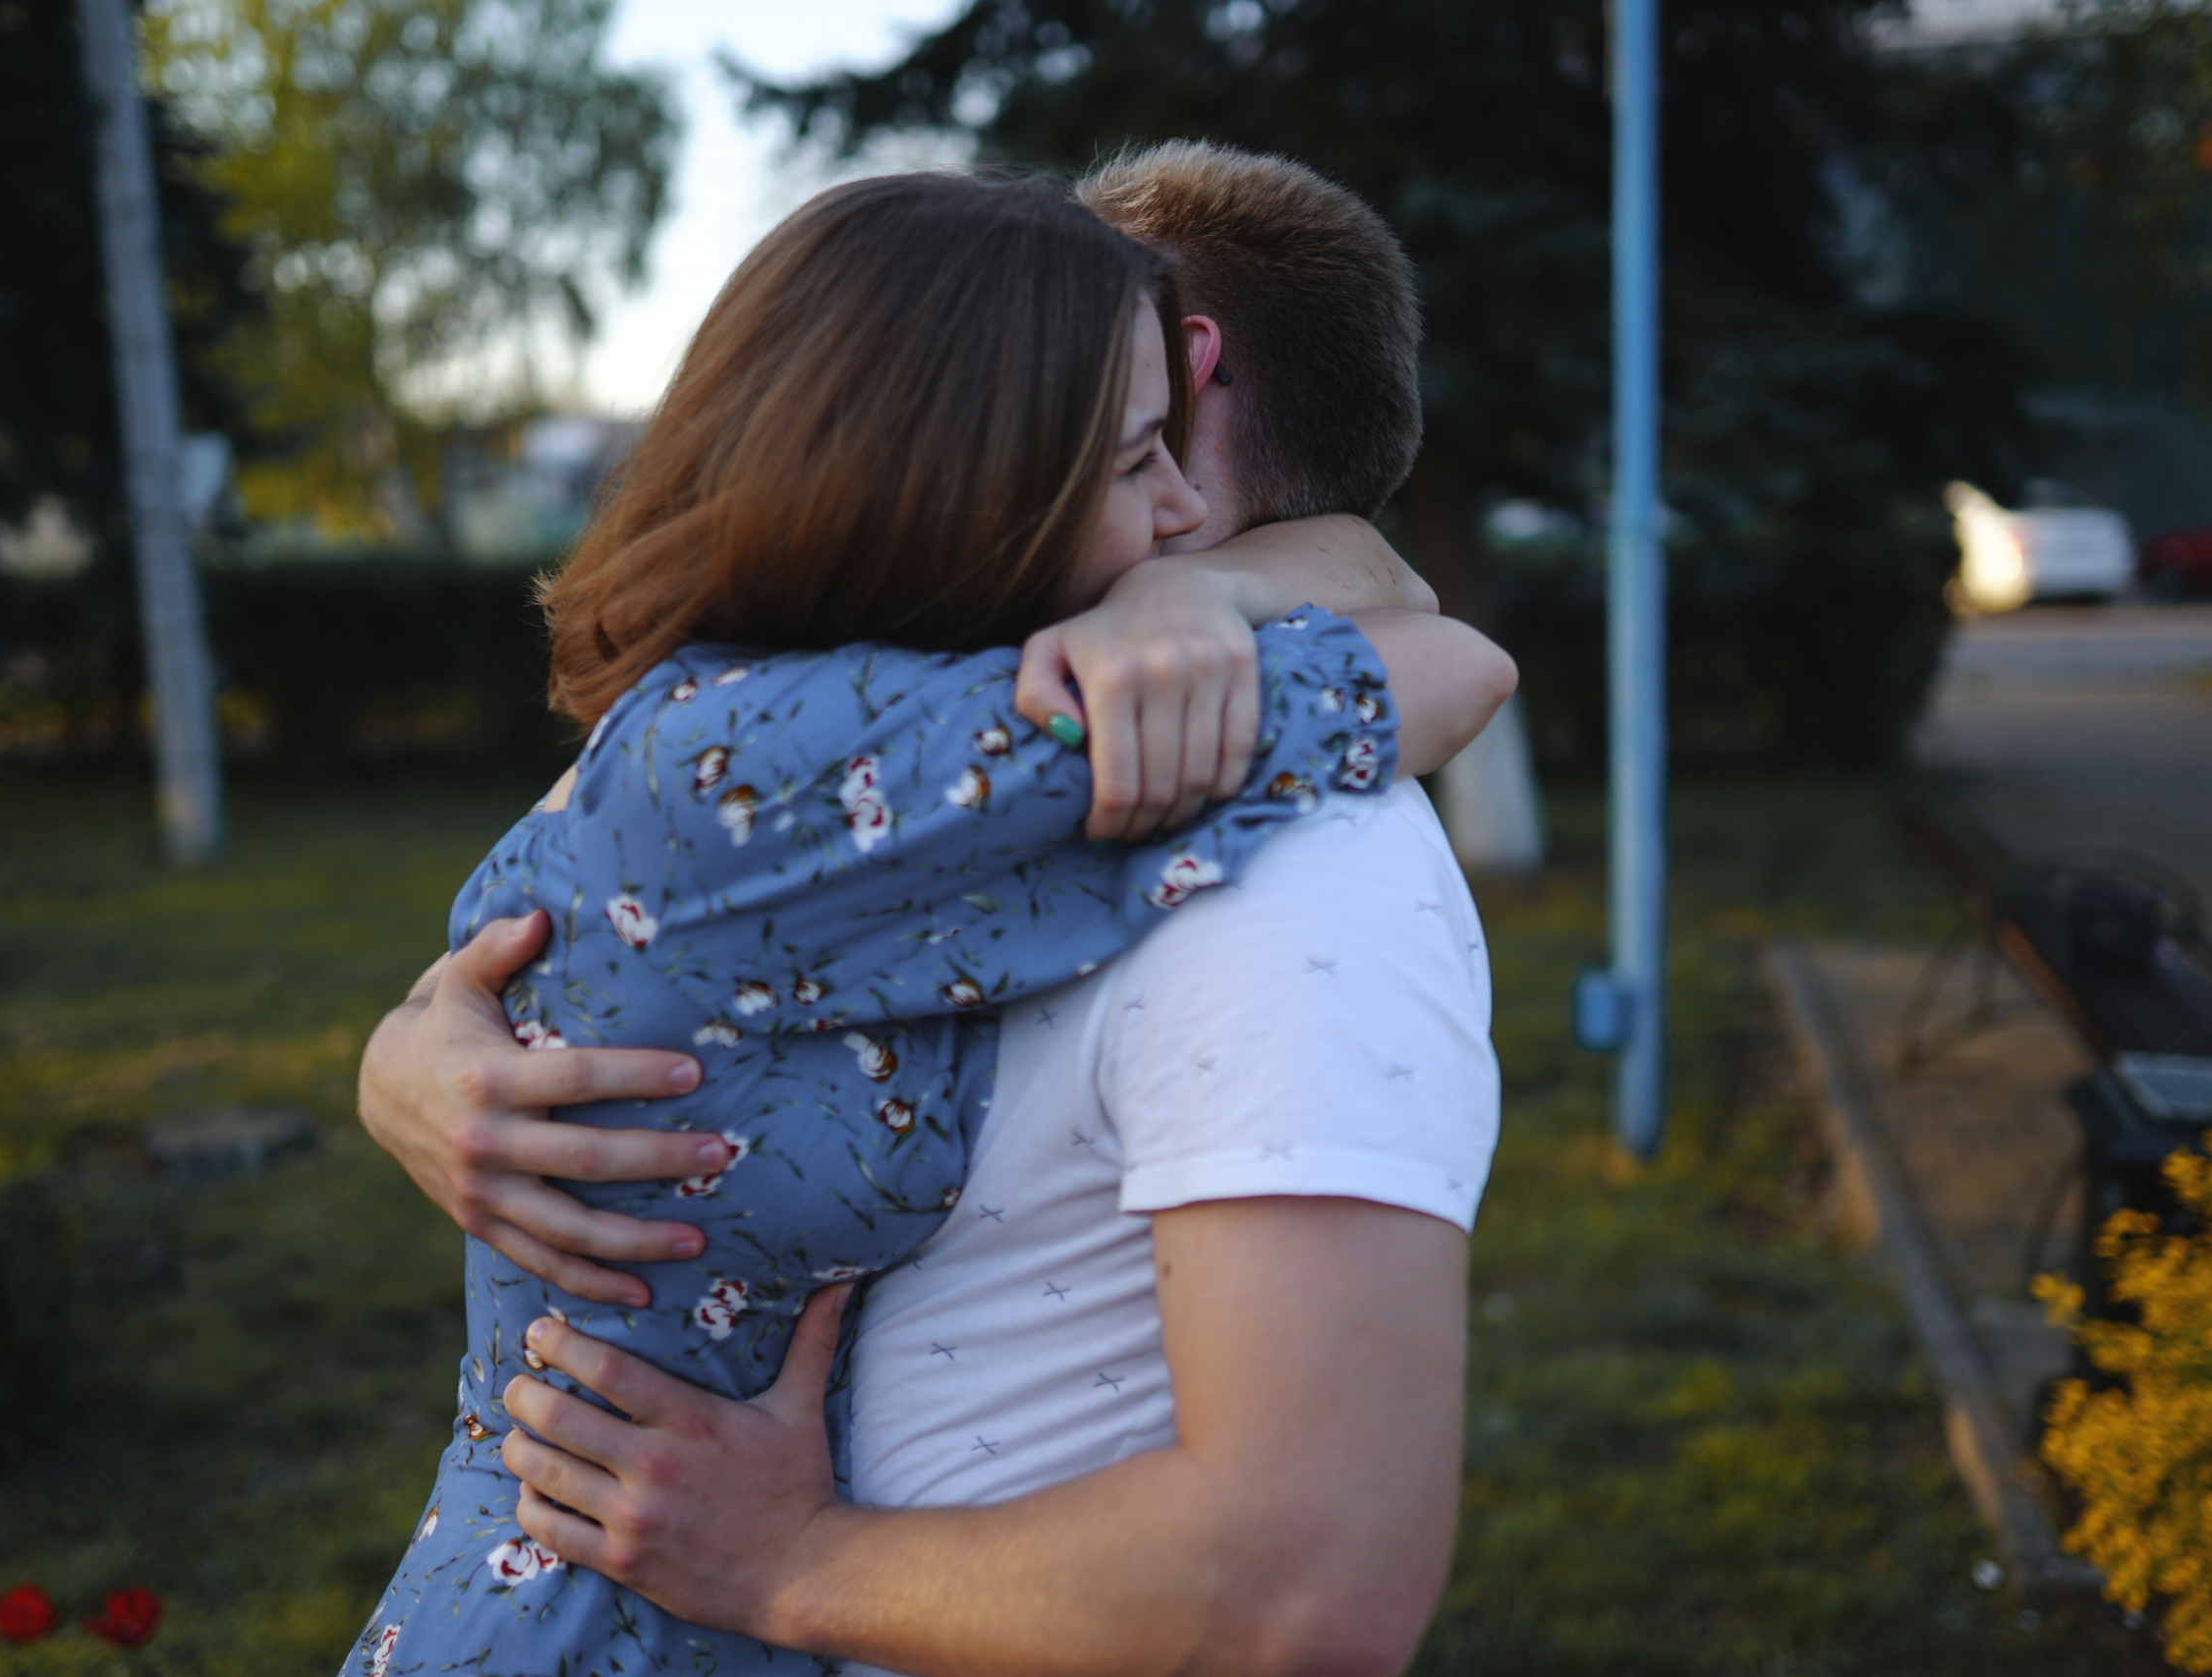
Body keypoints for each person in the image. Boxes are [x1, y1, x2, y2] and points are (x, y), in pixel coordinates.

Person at [343, 165, 1508, 1677]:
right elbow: (1455, 661)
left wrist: (1196, 601)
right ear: (974, 462)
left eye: (1166, 446)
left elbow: (1310, 1589)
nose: (1159, 501)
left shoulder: (1284, 867)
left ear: (1200, 362)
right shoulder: (854, 760)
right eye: (1122, 451)